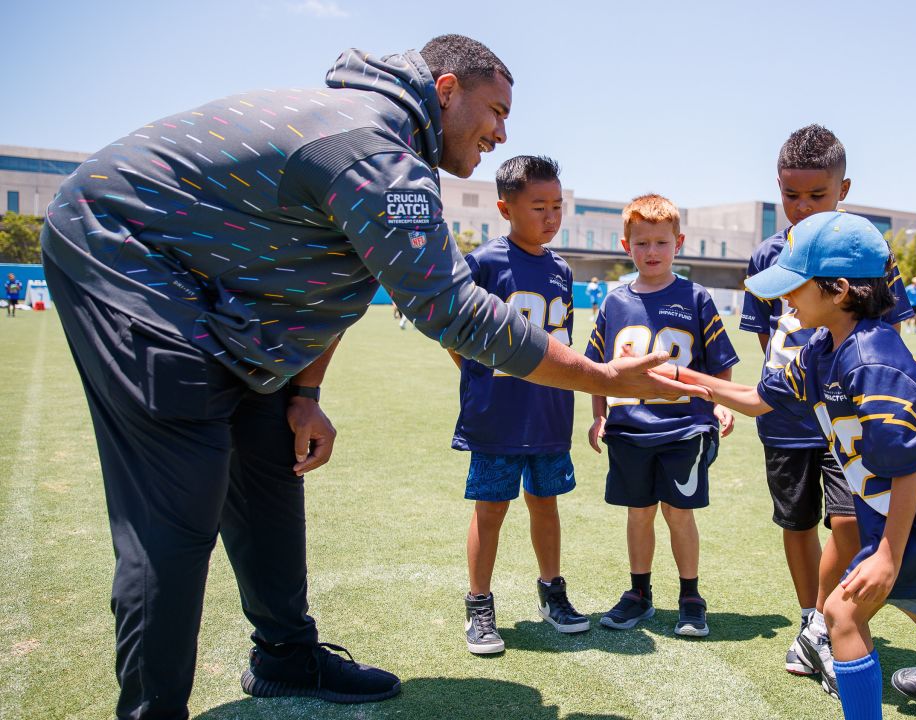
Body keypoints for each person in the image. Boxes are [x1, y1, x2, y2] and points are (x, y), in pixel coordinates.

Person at [40, 35, 699, 719]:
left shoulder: (386, 142)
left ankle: (284, 655)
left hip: (204, 288)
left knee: (268, 456)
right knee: (179, 503)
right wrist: (598, 377)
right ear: (446, 91)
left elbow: (338, 275)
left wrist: (304, 392)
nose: (503, 134)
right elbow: (452, 309)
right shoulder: (376, 152)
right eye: (496, 110)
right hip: (123, 252)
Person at [658, 212, 916, 718]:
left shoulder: (871, 362)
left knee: (842, 612)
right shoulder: (824, 346)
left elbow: (912, 465)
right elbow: (757, 397)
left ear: (840, 290)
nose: (785, 299)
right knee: (914, 597)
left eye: (795, 286)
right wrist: (683, 377)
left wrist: (887, 552)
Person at [738, 125, 915, 698]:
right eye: (791, 195)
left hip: (847, 418)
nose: (801, 207)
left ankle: (826, 618)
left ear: (844, 188)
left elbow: (883, 337)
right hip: (786, 417)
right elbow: (766, 340)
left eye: (816, 196)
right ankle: (810, 621)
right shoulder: (767, 256)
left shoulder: (871, 254)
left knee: (847, 520)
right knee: (794, 524)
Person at [448, 155, 587, 655]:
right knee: (491, 509)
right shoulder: (484, 262)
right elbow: (454, 328)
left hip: (549, 412)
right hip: (497, 416)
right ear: (506, 208)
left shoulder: (562, 270)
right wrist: (472, 372)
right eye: (539, 207)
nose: (551, 217)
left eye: (558, 206)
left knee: (545, 504)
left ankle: (552, 593)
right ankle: (480, 607)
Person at [585, 194, 739, 638]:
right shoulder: (614, 302)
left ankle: (690, 596)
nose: (651, 252)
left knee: (678, 511)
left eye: (661, 243)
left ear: (679, 243)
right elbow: (598, 369)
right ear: (625, 245)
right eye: (641, 243)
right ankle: (639, 594)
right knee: (638, 512)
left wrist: (720, 403)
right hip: (629, 428)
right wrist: (599, 416)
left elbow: (720, 360)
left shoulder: (696, 296)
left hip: (683, 428)